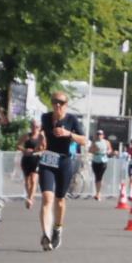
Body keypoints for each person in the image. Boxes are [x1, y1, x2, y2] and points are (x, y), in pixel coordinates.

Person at [37, 92, 87, 251]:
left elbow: (85, 140)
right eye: (54, 102)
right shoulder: (45, 117)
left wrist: (68, 134)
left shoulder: (72, 120)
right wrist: (41, 138)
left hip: (64, 161)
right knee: (46, 197)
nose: (57, 105)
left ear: (66, 104)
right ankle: (45, 235)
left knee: (59, 199)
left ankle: (57, 229)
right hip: (48, 159)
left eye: (61, 102)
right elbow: (42, 132)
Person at [17, 119, 42, 209]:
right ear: (31, 126)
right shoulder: (26, 136)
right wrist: (24, 150)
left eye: (37, 127)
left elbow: (46, 147)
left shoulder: (41, 137)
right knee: (27, 181)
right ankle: (29, 195)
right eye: (33, 126)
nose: (35, 128)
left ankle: (30, 199)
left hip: (36, 159)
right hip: (26, 159)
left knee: (34, 180)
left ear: (39, 128)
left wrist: (38, 151)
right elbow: (18, 145)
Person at [89, 129, 113, 201]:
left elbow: (110, 149)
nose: (99, 136)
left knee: (99, 177)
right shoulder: (94, 142)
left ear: (103, 135)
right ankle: (97, 192)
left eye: (100, 134)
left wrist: (108, 152)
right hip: (95, 160)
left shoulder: (106, 142)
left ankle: (98, 193)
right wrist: (95, 150)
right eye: (98, 134)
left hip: (103, 161)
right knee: (97, 177)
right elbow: (90, 150)